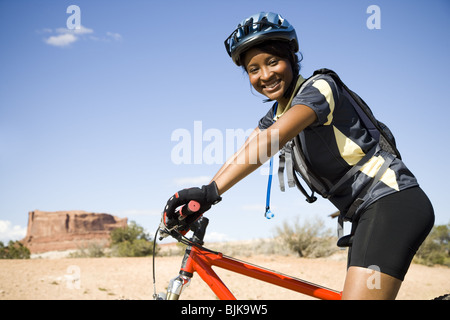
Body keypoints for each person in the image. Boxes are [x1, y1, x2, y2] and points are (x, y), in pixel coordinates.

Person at [162, 12, 435, 300]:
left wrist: (209, 193)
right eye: (253, 69)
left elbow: (271, 140)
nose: (265, 75)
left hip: (392, 201)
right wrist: (201, 199)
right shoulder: (275, 115)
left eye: (272, 62)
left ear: (292, 56)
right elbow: (243, 152)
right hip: (365, 214)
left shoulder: (319, 88)